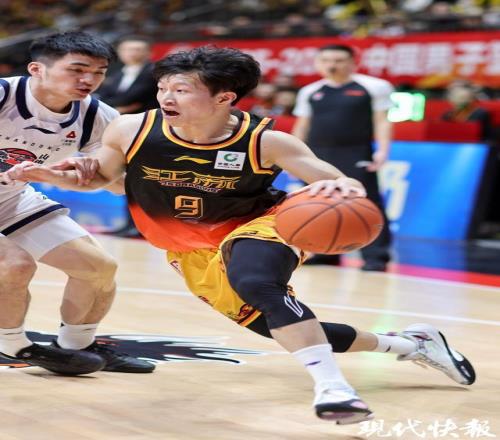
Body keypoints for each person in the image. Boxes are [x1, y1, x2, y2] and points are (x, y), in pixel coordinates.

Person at [5, 46, 475, 423]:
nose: (166, 97)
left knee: (255, 281)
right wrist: (54, 176)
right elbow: (100, 178)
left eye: (182, 89)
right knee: (274, 325)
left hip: (262, 225)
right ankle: (411, 344)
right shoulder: (131, 129)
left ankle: (334, 390)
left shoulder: (265, 140)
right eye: (164, 87)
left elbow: (333, 177)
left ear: (224, 97)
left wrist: (345, 186)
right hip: (189, 248)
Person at [0, 31, 154, 374]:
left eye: (99, 72)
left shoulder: (99, 116)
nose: (89, 80)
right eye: (77, 69)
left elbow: (120, 187)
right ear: (37, 69)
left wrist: (93, 172)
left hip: (11, 199)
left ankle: (75, 346)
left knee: (98, 268)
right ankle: (12, 346)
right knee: (14, 264)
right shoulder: (3, 95)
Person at [292, 44, 393, 272]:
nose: (332, 65)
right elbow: (302, 125)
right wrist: (294, 156)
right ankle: (325, 251)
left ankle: (376, 256)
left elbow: (382, 121)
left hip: (356, 151)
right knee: (318, 203)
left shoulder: (374, 86)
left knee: (366, 203)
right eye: (326, 60)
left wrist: (382, 150)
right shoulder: (310, 91)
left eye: (338, 60)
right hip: (317, 154)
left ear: (353, 63)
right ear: (318, 64)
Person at [96, 35, 159, 238]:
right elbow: (102, 97)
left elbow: (135, 98)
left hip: (146, 131)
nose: (133, 53)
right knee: (127, 178)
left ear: (148, 52)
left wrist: (117, 106)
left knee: (143, 178)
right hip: (122, 132)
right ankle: (129, 223)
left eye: (138, 49)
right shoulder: (116, 73)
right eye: (128, 49)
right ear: (121, 53)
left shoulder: (154, 73)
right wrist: (120, 107)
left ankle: (143, 226)